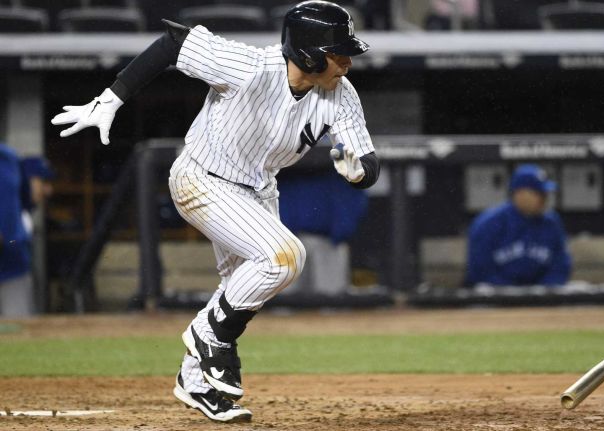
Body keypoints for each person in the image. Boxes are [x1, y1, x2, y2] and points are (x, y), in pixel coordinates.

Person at [51, 1, 379, 423]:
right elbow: (172, 42)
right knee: (285, 256)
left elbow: (367, 162)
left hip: (259, 191)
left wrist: (358, 173)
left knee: (239, 289)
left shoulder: (341, 93)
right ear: (309, 52)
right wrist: (111, 98)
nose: (348, 63)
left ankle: (195, 381)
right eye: (339, 53)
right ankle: (207, 337)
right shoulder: (250, 66)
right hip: (202, 178)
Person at [465, 164, 571, 287]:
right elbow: (480, 272)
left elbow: (560, 267)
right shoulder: (488, 223)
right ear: (519, 194)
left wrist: (541, 293)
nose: (545, 198)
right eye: (539, 193)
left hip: (540, 295)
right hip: (496, 296)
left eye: (545, 193)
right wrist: (513, 294)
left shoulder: (552, 222)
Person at [278, 171, 368, 295]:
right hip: (284, 242)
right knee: (281, 305)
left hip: (327, 241)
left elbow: (354, 190)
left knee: (332, 303)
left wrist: (341, 232)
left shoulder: (339, 157)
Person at [0, 142, 34, 318]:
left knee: (18, 324)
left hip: (12, 256)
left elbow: (27, 202)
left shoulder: (9, 158)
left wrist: (9, 229)